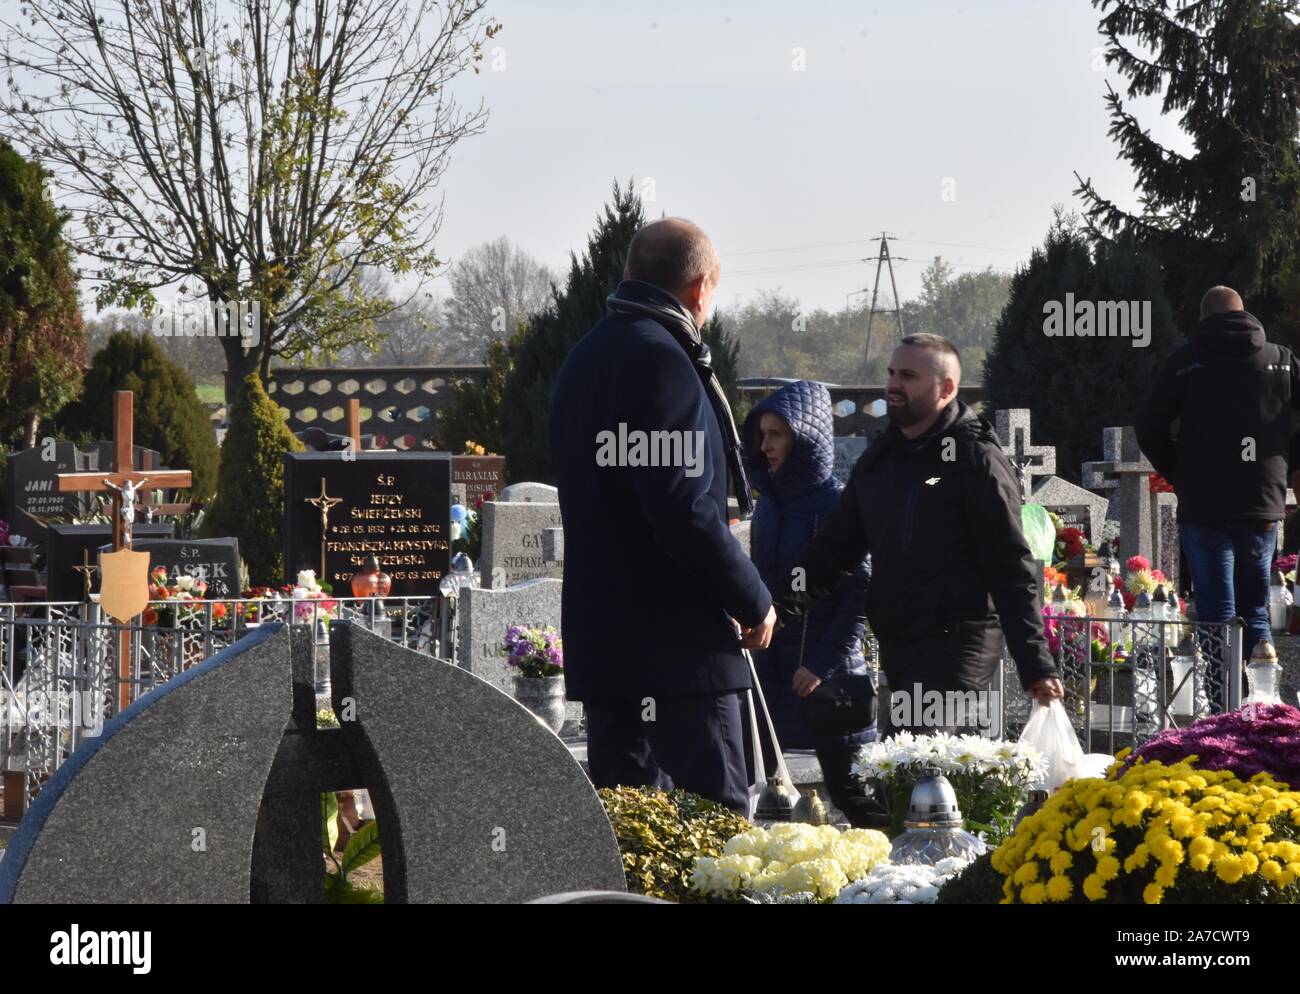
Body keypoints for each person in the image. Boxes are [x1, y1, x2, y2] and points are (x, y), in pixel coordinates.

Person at [549, 217, 777, 813]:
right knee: (719, 842)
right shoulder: (663, 360)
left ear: (628, 273)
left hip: (609, 648)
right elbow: (681, 508)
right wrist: (752, 596)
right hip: (678, 654)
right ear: (701, 289)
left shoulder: (583, 358)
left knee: (631, 846)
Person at [773, 334, 1063, 734]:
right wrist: (772, 608)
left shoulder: (975, 460)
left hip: (959, 645)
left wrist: (1037, 666)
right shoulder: (881, 460)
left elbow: (1010, 566)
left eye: (908, 376)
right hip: (900, 644)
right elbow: (833, 551)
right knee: (914, 774)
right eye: (892, 373)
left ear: (946, 388)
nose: (893, 385)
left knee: (922, 767)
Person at [1136, 286, 1300, 705]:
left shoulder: (1186, 361)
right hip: (1261, 502)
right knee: (1256, 608)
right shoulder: (1280, 360)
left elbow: (1150, 425)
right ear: (1246, 315)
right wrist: (1283, 463)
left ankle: (1221, 707)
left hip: (1205, 505)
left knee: (1216, 612)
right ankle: (1260, 709)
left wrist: (1180, 473)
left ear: (1203, 319)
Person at [742, 380, 880, 825]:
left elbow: (859, 592)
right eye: (761, 435)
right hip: (772, 672)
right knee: (767, 795)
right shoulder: (768, 505)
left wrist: (820, 666)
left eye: (776, 434)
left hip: (827, 678)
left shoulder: (836, 503)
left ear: (806, 437)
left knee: (851, 795)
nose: (765, 446)